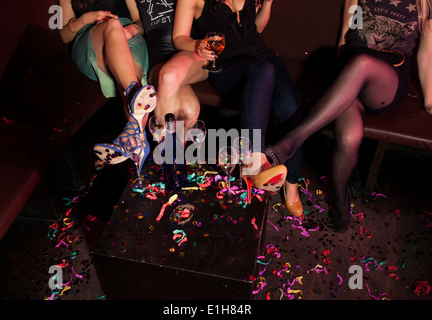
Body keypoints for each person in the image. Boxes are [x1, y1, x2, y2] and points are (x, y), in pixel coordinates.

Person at [265, 0, 432, 231]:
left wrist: (430, 100)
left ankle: (291, 141)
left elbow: (425, 55)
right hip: (350, 72)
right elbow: (346, 36)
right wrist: (340, 82)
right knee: (349, 138)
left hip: (387, 77)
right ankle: (341, 200)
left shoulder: (425, 4)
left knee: (362, 64)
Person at [172, 0, 304, 215]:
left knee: (292, 108)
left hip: (263, 55)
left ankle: (292, 185)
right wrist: (198, 45)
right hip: (227, 65)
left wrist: (268, 4)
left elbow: (256, 28)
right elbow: (179, 38)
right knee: (263, 69)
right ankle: (254, 159)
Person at [59, 0, 157, 173]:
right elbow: (65, 36)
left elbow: (140, 22)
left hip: (127, 35)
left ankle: (133, 138)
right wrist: (87, 18)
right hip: (89, 42)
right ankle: (134, 96)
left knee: (126, 73)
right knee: (112, 24)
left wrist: (133, 29)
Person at [129, 0, 209, 135]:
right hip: (158, 55)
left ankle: (167, 151)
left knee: (170, 77)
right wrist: (133, 28)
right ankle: (174, 151)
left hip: (191, 50)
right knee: (188, 108)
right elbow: (138, 20)